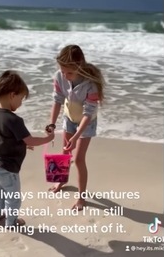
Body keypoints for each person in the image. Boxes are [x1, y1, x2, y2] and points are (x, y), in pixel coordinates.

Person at [0, 70, 55, 229]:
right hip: (7, 168)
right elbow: (30, 139)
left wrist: (22, 144)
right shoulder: (14, 120)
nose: (21, 103)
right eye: (21, 99)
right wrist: (48, 138)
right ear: (12, 95)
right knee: (13, 197)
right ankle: (11, 223)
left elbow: (4, 138)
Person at [45, 44, 105, 211]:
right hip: (69, 117)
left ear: (80, 66)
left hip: (87, 121)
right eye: (63, 71)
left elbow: (89, 112)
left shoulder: (91, 84)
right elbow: (57, 100)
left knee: (78, 159)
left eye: (69, 72)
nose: (65, 75)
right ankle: (61, 181)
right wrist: (51, 123)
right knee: (65, 153)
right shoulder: (59, 76)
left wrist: (77, 136)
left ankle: (81, 197)